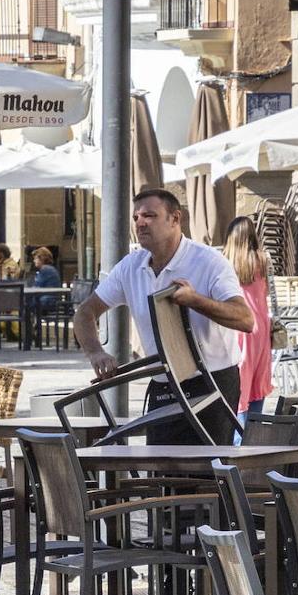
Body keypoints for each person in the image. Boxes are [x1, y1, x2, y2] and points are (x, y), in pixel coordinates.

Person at [72, 189, 253, 445]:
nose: (140, 223)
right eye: (136, 217)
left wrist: (196, 301)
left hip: (211, 380)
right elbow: (84, 313)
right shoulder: (131, 266)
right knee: (160, 467)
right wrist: (95, 352)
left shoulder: (209, 261)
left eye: (149, 215)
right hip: (163, 380)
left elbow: (246, 319)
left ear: (175, 218)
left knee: (206, 473)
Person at [223, 216, 273, 435]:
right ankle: (252, 434)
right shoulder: (262, 260)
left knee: (239, 382)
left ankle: (237, 437)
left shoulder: (225, 262)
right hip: (260, 329)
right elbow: (266, 292)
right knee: (257, 382)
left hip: (237, 327)